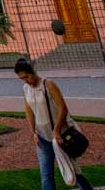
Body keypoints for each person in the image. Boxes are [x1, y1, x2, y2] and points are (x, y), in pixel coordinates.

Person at [15, 59, 95, 190]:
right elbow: (29, 111)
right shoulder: (25, 89)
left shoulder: (48, 85)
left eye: (27, 76)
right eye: (22, 78)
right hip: (42, 136)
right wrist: (33, 132)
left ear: (33, 72)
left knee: (72, 170)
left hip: (60, 135)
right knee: (46, 175)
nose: (25, 80)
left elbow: (63, 108)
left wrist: (56, 131)